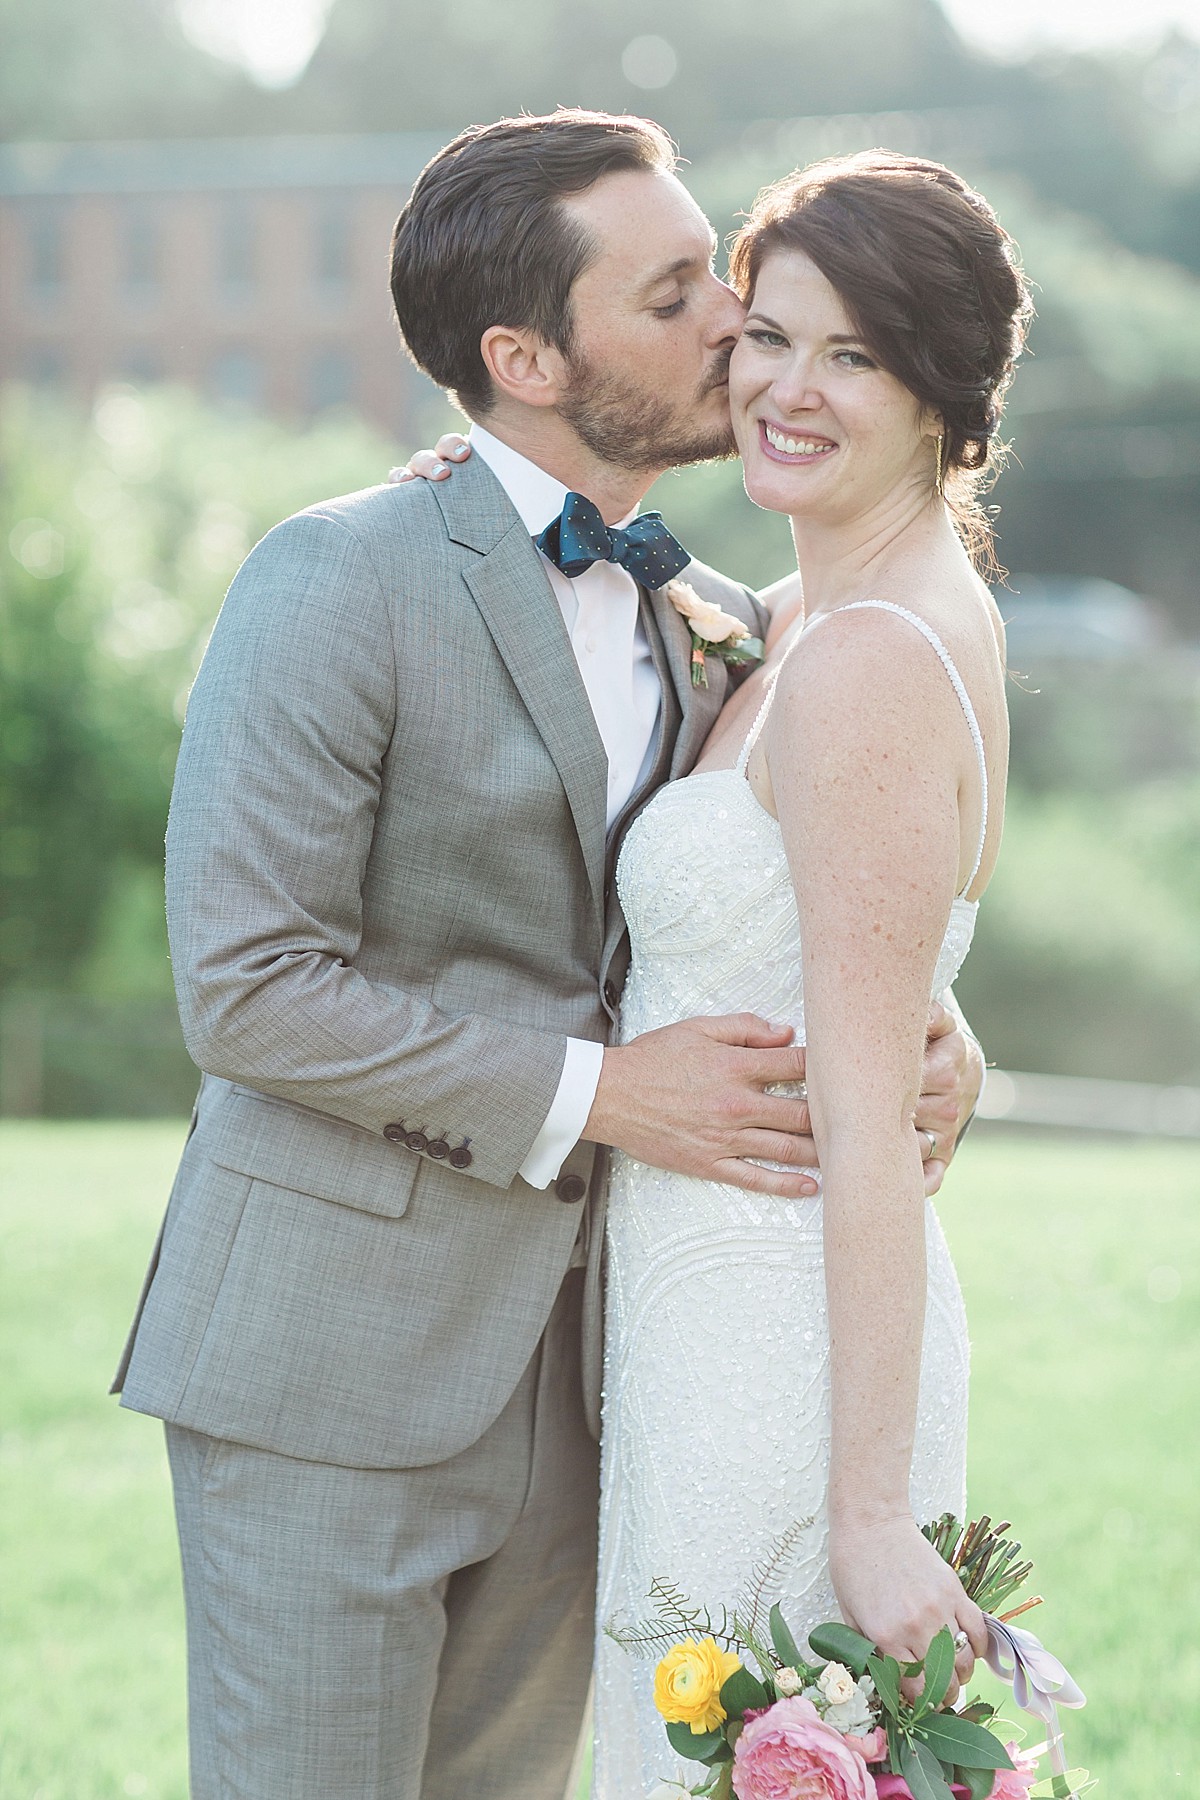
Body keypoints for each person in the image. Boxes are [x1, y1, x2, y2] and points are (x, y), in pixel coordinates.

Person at [110, 113, 983, 1800]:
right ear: (524, 356)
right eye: (678, 298)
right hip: (330, 1373)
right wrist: (604, 1095)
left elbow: (774, 902)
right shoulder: (336, 575)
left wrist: (943, 1031)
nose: (735, 327)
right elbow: (245, 985)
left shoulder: (726, 610)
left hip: (601, 1386)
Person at [406, 147, 1029, 1796]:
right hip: (693, 1306)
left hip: (783, 1333)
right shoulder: (805, 609)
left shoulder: (878, 653)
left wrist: (872, 1513)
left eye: (856, 356)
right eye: (771, 337)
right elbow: (870, 960)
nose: (787, 388)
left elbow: (866, 1118)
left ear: (943, 394)